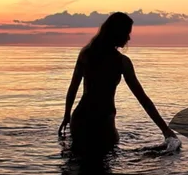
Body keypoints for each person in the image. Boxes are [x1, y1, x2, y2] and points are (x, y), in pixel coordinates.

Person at [58, 12, 177, 153]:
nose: (128, 38)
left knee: (79, 167)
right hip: (103, 123)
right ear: (117, 33)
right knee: (104, 169)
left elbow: (73, 88)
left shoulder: (86, 54)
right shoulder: (122, 62)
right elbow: (142, 98)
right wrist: (165, 130)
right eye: (127, 33)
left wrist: (67, 116)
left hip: (80, 120)